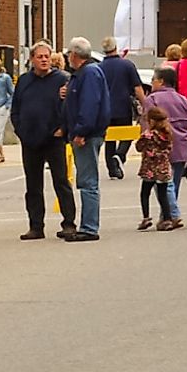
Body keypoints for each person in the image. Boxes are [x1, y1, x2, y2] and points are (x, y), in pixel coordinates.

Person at [12, 43, 75, 240]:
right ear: (32, 59)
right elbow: (16, 109)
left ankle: (69, 224)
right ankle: (36, 226)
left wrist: (63, 129)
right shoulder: (24, 81)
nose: (44, 60)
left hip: (53, 139)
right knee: (33, 185)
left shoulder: (62, 79)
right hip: (30, 141)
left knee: (61, 182)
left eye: (47, 56)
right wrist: (21, 131)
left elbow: (70, 107)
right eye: (40, 57)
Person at [59, 37, 111, 241]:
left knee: (88, 181)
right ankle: (88, 224)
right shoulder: (83, 74)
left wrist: (81, 131)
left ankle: (89, 227)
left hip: (87, 135)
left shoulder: (89, 73)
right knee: (86, 179)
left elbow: (90, 105)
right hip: (86, 132)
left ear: (74, 54)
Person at [137, 65, 187, 231]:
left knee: (163, 185)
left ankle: (173, 214)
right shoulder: (182, 99)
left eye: (153, 80)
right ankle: (167, 216)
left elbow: (145, 122)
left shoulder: (152, 99)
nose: (151, 83)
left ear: (161, 81)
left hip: (157, 150)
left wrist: (144, 142)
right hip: (181, 146)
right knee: (173, 184)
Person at [98, 43, 145, 180]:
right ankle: (120, 154)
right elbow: (137, 88)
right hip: (123, 106)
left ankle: (112, 170)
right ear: (115, 48)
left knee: (109, 139)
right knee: (127, 135)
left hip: (105, 108)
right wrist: (145, 104)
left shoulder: (99, 68)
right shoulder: (127, 65)